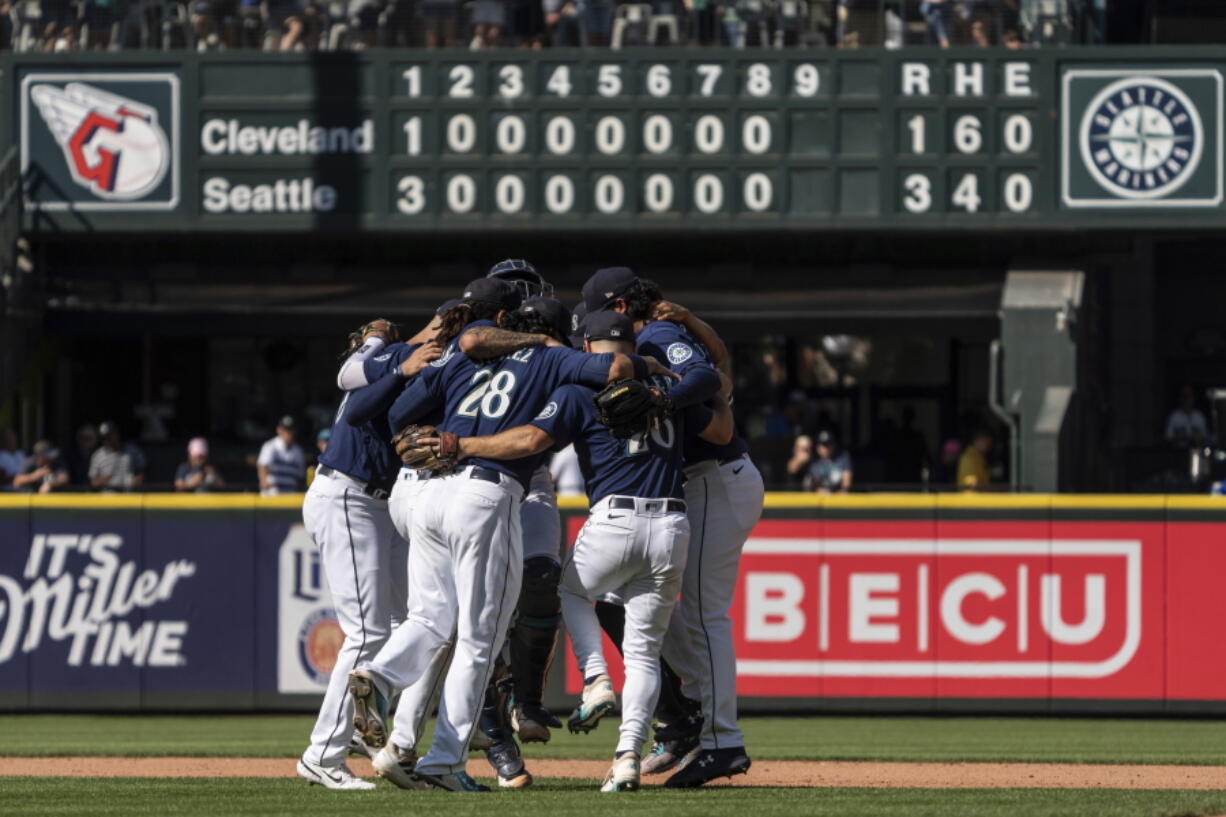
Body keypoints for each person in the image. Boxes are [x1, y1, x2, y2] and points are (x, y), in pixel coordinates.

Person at [345, 286, 653, 793]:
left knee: (430, 618)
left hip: (429, 492)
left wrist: (447, 428)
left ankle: (378, 677)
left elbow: (400, 415)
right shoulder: (556, 361)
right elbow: (614, 371)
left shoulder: (470, 356)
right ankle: (445, 760)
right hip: (486, 492)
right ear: (557, 333)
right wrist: (652, 370)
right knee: (479, 638)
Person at [433, 310, 733, 792]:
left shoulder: (579, 390)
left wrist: (464, 444)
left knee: (570, 591)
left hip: (616, 519)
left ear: (589, 346)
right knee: (642, 655)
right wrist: (713, 388)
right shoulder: (667, 390)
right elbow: (720, 431)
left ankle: (595, 679)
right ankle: (627, 758)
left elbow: (531, 440)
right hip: (673, 525)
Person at [582, 267, 764, 787]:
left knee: (706, 617)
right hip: (706, 481)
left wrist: (666, 395)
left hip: (714, 480)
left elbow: (709, 378)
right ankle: (688, 719)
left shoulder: (657, 334)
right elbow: (719, 366)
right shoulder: (664, 331)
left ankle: (721, 741)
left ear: (618, 307)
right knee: (634, 607)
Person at [294, 318, 441, 791]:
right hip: (348, 495)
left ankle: (370, 727)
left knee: (414, 620)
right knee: (366, 632)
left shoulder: (393, 356)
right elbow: (355, 399)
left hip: (376, 501)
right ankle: (322, 755)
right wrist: (396, 359)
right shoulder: (395, 358)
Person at [88, 422, 146, 492]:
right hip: (108, 498)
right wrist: (103, 479)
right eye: (104, 438)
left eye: (109, 436)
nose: (107, 440)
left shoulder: (132, 450)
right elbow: (93, 483)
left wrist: (137, 480)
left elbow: (142, 471)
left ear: (116, 434)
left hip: (128, 496)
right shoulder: (97, 456)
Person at [257, 416, 306, 496]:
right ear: (279, 430)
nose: (288, 433)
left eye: (290, 430)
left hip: (290, 497)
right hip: (271, 496)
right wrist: (263, 481)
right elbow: (263, 466)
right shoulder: (270, 446)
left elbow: (300, 476)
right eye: (285, 430)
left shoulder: (298, 451)